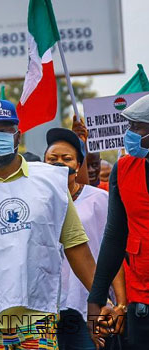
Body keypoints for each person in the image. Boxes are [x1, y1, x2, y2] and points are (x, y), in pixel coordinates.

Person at [0, 99, 96, 350]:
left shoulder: (51, 182)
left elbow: (76, 245)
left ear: (17, 135)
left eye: (3, 130)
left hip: (39, 317)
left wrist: (99, 298)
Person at [44, 128, 127, 350]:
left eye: (66, 158)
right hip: (45, 308)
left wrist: (119, 303)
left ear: (78, 165)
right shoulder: (35, 202)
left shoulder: (99, 199)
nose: (59, 163)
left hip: (88, 304)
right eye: (52, 159)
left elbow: (111, 250)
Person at [88, 95, 149, 350]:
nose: (130, 133)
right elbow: (114, 235)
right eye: (129, 126)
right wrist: (96, 297)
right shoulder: (123, 169)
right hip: (142, 300)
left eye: (137, 127)